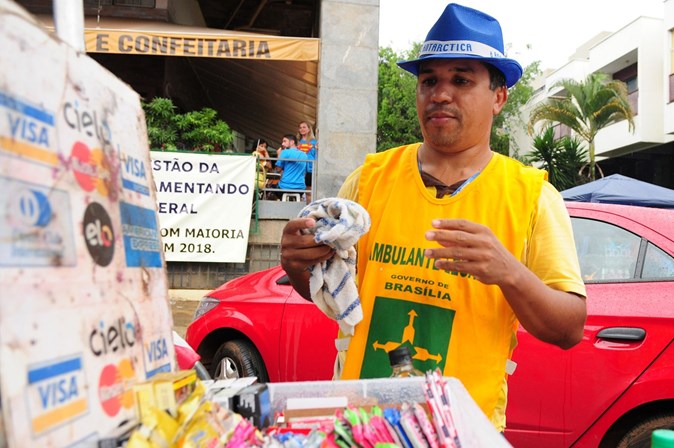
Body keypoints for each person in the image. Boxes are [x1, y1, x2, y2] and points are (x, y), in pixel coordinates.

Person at [279, 3, 587, 432]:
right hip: (360, 426)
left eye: (461, 80)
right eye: (429, 81)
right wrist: (297, 262)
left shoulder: (533, 197)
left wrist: (509, 272)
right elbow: (334, 298)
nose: (440, 94)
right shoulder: (368, 182)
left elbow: (569, 328)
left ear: (499, 97)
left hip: (463, 431)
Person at [274, 134, 309, 200]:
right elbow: (305, 172)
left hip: (284, 187)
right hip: (300, 188)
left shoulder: (284, 152)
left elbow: (278, 169)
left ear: (292, 142)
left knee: (270, 188)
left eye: (285, 141)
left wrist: (278, 155)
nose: (282, 143)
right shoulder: (305, 155)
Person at [297, 120, 317, 202]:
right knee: (299, 191)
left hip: (310, 169)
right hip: (298, 169)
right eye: (300, 127)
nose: (302, 129)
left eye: (304, 127)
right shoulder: (296, 142)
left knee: (309, 192)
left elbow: (317, 156)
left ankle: (308, 211)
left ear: (309, 129)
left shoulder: (314, 142)